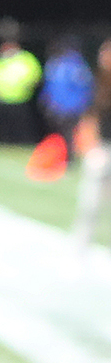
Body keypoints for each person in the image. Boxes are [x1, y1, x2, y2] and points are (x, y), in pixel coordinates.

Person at [73, 37, 111, 254]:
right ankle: (80, 247)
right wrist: (90, 146)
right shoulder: (95, 81)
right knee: (91, 202)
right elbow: (89, 116)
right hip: (101, 147)